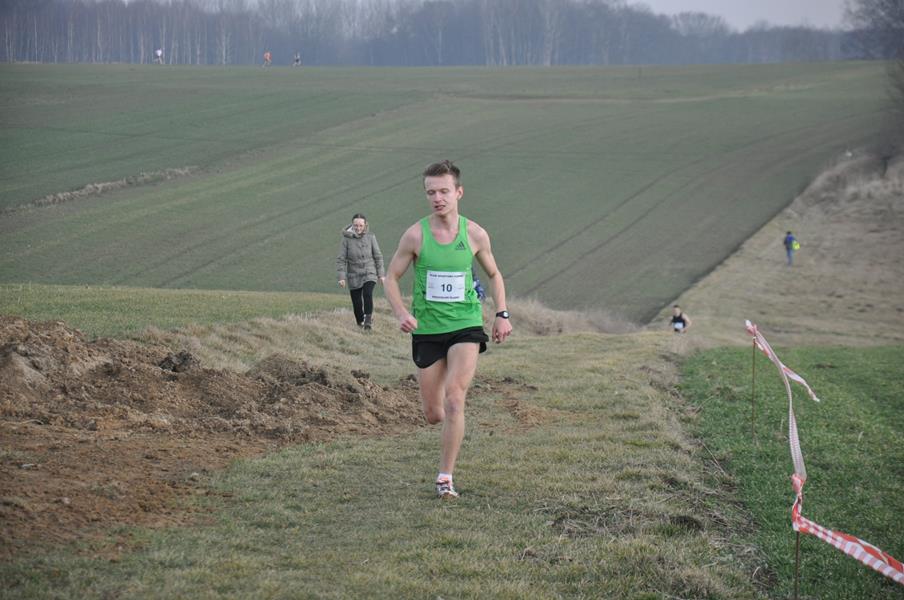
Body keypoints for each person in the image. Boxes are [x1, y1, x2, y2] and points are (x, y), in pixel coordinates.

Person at [384, 160, 513, 499]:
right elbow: (391, 278)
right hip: (427, 328)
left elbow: (494, 274)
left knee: (455, 399)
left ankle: (445, 478)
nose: (437, 198)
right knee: (433, 413)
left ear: (459, 192)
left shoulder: (475, 234)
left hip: (465, 324)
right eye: (431, 193)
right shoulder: (415, 235)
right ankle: (449, 426)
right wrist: (400, 312)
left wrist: (501, 314)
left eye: (444, 191)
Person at [336, 214, 385, 330]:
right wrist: (341, 277)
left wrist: (381, 275)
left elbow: (378, 256)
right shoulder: (346, 240)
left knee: (367, 293)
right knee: (357, 302)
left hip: (369, 271)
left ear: (365, 225)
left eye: (361, 225)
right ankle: (360, 322)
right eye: (356, 225)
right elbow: (341, 259)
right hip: (353, 274)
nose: (358, 228)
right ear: (352, 225)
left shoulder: (371, 237)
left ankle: (368, 320)